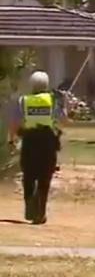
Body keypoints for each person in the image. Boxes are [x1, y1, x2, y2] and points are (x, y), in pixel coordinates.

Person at [7, 71, 63, 225]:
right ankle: (41, 212)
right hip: (47, 142)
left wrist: (11, 141)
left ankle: (30, 209)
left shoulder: (23, 101)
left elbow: (14, 123)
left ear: (31, 84)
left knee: (29, 176)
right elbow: (63, 121)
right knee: (45, 178)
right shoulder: (53, 100)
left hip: (30, 141)